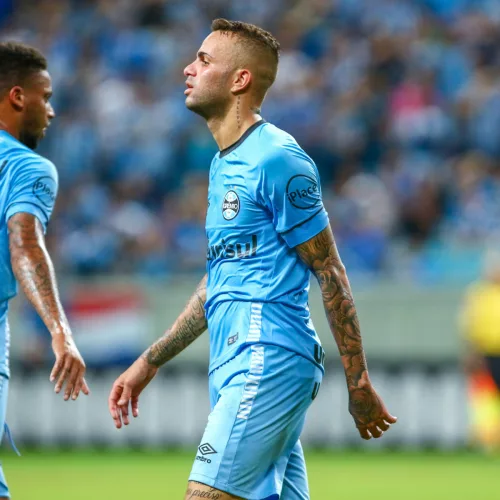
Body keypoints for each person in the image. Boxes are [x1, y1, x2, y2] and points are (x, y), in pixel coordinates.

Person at [109, 19, 396, 500]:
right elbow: (221, 281)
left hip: (267, 355)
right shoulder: (222, 163)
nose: (187, 69)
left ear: (240, 79)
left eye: (203, 61)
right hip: (237, 360)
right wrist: (150, 359)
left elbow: (329, 270)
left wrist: (359, 381)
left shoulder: (278, 158)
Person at [0, 42, 89, 498]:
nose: (51, 112)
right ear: (18, 96)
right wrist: (59, 330)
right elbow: (24, 242)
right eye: (46, 97)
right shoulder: (24, 166)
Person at [460, 247, 500, 452]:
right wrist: (472, 352)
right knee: (485, 398)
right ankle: (489, 441)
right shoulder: (478, 293)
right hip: (486, 353)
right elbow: (470, 325)